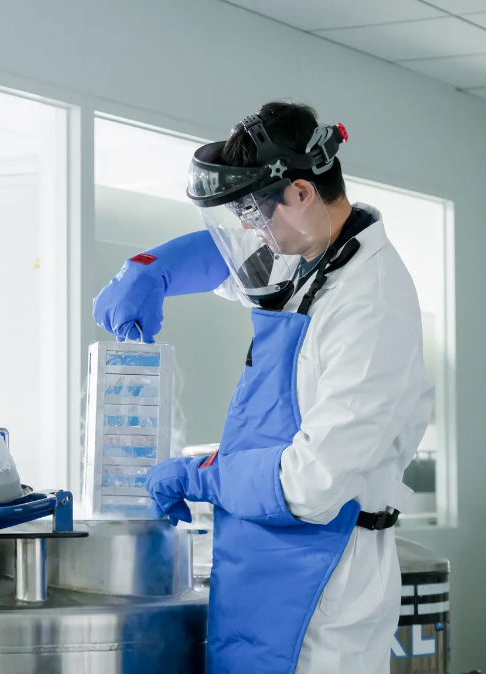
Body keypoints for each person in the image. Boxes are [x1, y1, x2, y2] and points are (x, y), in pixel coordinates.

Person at [92, 101, 435, 674]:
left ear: (302, 192)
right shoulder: (311, 259)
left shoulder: (369, 304)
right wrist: (151, 268)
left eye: (254, 211)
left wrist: (204, 476)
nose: (250, 229)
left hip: (326, 591)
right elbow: (231, 261)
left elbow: (312, 483)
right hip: (262, 567)